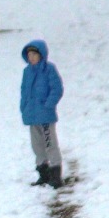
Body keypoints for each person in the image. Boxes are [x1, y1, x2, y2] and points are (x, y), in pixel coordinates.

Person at [20, 40, 65, 188]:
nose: (31, 57)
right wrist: (24, 107)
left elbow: (57, 88)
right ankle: (43, 173)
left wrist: (48, 105)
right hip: (32, 116)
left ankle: (56, 174)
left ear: (42, 55)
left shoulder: (49, 69)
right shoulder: (27, 72)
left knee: (50, 144)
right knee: (37, 146)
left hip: (45, 116)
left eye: (34, 54)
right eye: (29, 55)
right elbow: (24, 92)